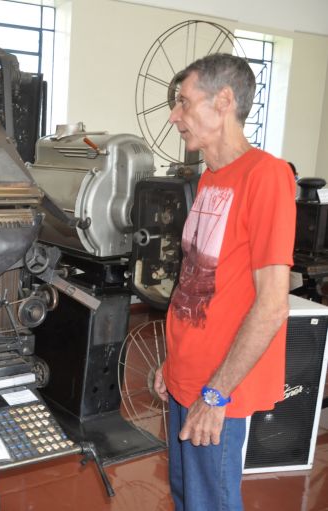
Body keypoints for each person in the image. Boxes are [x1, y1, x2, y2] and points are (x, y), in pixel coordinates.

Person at [154, 53, 296, 511]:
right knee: (185, 497)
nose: (175, 116)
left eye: (183, 102)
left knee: (208, 503)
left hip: (217, 388)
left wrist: (216, 392)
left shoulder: (266, 176)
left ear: (224, 101)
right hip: (186, 377)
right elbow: (198, 282)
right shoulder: (213, 177)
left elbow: (273, 305)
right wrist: (172, 366)